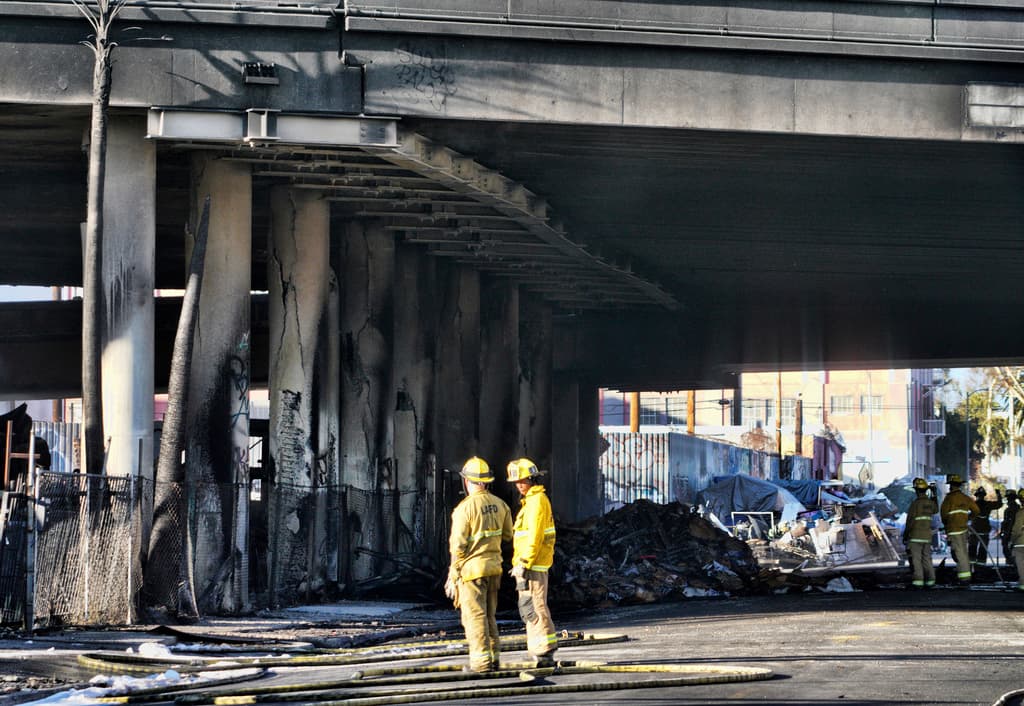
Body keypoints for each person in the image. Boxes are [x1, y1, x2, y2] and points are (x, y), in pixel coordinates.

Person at [445, 456, 513, 673]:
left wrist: (452, 574)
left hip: (471, 572)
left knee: (474, 617)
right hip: (494, 569)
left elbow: (458, 546)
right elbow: (508, 535)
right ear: (487, 481)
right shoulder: (501, 505)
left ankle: (481, 663)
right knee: (489, 615)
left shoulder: (464, 509)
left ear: (467, 481)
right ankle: (494, 658)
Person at [506, 457, 559, 667]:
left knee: (534, 606)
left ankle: (544, 650)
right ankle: (538, 649)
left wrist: (524, 562)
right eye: (517, 482)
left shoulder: (536, 502)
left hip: (532, 565)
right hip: (529, 564)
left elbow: (535, 536)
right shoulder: (531, 501)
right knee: (528, 606)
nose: (519, 485)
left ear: (531, 479)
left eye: (522, 481)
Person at [940, 475, 980, 586]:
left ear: (952, 486)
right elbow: (976, 510)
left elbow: (943, 515)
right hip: (963, 530)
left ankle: (964, 578)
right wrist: (968, 518)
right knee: (963, 553)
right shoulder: (966, 498)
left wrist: (947, 526)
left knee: (959, 554)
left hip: (953, 530)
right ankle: (965, 574)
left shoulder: (949, 499)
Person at [902, 478, 938, 589]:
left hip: (915, 537)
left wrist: (905, 535)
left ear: (917, 491)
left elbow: (910, 522)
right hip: (927, 537)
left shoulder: (915, 504)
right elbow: (936, 509)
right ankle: (930, 582)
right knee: (927, 559)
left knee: (916, 560)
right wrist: (934, 493)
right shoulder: (930, 503)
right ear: (926, 490)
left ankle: (918, 582)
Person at [969, 486, 1003, 568]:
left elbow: (966, 514)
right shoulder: (988, 504)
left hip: (974, 531)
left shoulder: (973, 504)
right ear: (984, 495)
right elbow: (999, 504)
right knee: (983, 549)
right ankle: (980, 567)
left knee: (972, 548)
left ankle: (971, 567)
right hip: (984, 531)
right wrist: (998, 494)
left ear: (976, 495)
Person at [1009, 500, 1024, 592]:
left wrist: (1012, 541)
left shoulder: (1021, 513)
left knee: (1021, 565)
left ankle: (1023, 585)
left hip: (1020, 543)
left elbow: (1016, 530)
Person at [1001, 490, 1019, 560]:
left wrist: (1007, 533)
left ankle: (1011, 564)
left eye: (1008, 498)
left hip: (1010, 533)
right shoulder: (1014, 508)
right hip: (1010, 532)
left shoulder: (1012, 509)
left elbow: (1011, 522)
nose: (1007, 500)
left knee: (1008, 549)